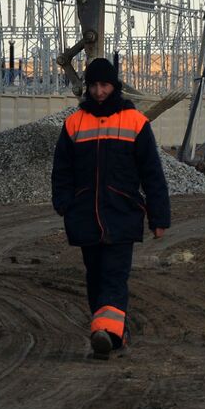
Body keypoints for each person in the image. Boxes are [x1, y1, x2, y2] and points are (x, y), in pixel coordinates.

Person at [51, 57, 171, 360]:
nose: (99, 91)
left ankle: (107, 334)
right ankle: (110, 331)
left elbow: (152, 173)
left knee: (114, 276)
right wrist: (64, 203)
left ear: (114, 85)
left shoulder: (135, 122)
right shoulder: (74, 124)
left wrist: (159, 216)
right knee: (95, 276)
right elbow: (61, 169)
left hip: (122, 213)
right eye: (93, 85)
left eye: (104, 85)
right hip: (85, 216)